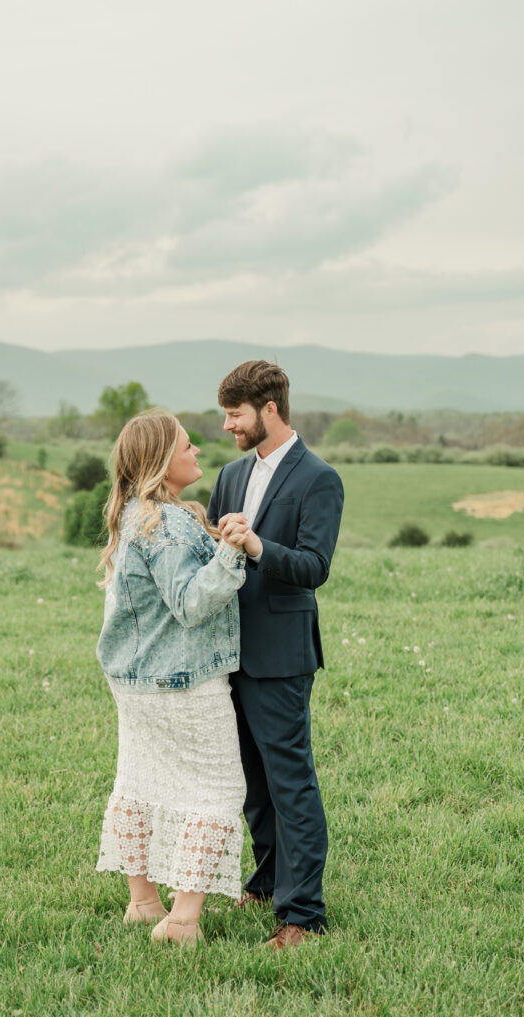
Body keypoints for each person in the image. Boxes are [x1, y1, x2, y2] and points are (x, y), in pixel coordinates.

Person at [95, 409, 262, 945]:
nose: (197, 453)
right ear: (162, 461)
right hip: (181, 682)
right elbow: (190, 604)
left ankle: (143, 902)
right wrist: (232, 551)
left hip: (135, 681)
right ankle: (182, 921)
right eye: (187, 447)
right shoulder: (164, 523)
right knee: (217, 788)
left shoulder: (136, 515)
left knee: (138, 783)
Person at [208, 360, 344, 950]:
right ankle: (265, 882)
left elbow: (315, 568)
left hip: (282, 656)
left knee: (289, 782)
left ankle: (303, 913)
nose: (227, 427)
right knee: (249, 783)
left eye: (234, 415)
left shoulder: (320, 478)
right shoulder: (231, 474)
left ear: (269, 409)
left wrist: (259, 545)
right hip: (226, 652)